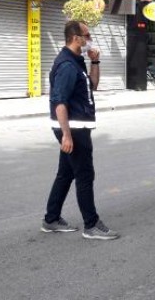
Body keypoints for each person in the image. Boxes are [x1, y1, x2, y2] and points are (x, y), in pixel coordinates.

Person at [42, 21, 118, 240]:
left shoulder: (77, 61)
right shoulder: (66, 65)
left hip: (77, 127)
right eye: (87, 35)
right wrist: (66, 134)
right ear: (76, 38)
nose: (89, 39)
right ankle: (91, 225)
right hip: (73, 129)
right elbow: (59, 102)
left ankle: (51, 219)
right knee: (85, 174)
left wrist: (95, 61)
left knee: (65, 174)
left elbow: (92, 86)